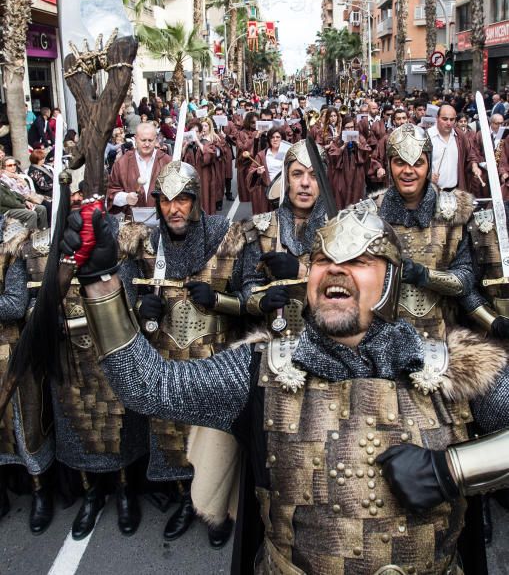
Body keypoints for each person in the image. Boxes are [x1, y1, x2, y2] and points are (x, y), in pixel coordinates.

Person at [66, 206, 509, 575]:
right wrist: (101, 283)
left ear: (390, 279)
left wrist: (454, 469)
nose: (336, 270)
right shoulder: (261, 369)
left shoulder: (455, 368)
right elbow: (151, 386)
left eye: (357, 261)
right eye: (322, 260)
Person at [112, 161, 264, 546]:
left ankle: (220, 513)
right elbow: (124, 301)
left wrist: (220, 300)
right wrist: (137, 310)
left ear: (197, 201)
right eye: (165, 201)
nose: (174, 209)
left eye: (182, 199)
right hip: (165, 359)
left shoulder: (228, 236)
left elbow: (252, 298)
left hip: (215, 359)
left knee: (217, 441)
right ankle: (186, 501)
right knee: (172, 439)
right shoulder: (144, 243)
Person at [370, 123, 476, 339]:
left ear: (428, 165)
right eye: (400, 162)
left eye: (417, 163)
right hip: (380, 336)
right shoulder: (369, 215)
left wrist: (424, 276)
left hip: (440, 334)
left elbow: (465, 280)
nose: (408, 171)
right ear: (389, 165)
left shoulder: (453, 212)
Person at [0, 216, 54, 533]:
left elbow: (16, 303)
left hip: (12, 353)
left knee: (26, 429)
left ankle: (40, 492)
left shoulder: (12, 244)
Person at [246, 140, 327, 338]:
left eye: (314, 175)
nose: (305, 183)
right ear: (287, 180)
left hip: (326, 342)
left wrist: (301, 271)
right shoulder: (261, 228)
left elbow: (353, 289)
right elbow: (247, 286)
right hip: (272, 343)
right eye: (298, 174)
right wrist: (261, 301)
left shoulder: (340, 229)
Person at [106, 122, 171, 214]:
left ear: (156, 139)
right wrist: (125, 198)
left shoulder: (166, 161)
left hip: (161, 220)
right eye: (143, 140)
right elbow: (111, 191)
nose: (147, 144)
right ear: (136, 139)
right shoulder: (122, 163)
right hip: (133, 223)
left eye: (150, 140)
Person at [328, 114, 371, 209]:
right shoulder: (338, 139)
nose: (350, 130)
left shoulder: (360, 137)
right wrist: (343, 146)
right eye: (347, 128)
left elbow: (367, 151)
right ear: (343, 128)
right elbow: (332, 154)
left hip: (356, 172)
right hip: (342, 173)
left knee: (356, 194)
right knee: (341, 193)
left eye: (352, 127)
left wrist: (358, 145)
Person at [428, 105, 473, 191]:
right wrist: (428, 176)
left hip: (455, 190)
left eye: (452, 119)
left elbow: (470, 155)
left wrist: (474, 165)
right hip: (432, 190)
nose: (448, 123)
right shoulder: (427, 136)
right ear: (437, 118)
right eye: (444, 119)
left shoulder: (460, 136)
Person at [246, 127, 283, 215]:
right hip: (266, 191)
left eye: (278, 137)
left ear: (282, 139)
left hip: (283, 191)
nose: (275, 139)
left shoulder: (287, 153)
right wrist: (257, 172)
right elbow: (252, 170)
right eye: (272, 137)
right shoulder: (262, 155)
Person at [236, 112, 260, 203]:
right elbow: (242, 148)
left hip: (258, 163)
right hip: (246, 164)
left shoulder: (262, 132)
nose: (254, 124)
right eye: (252, 122)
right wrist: (254, 137)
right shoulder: (241, 133)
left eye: (256, 122)